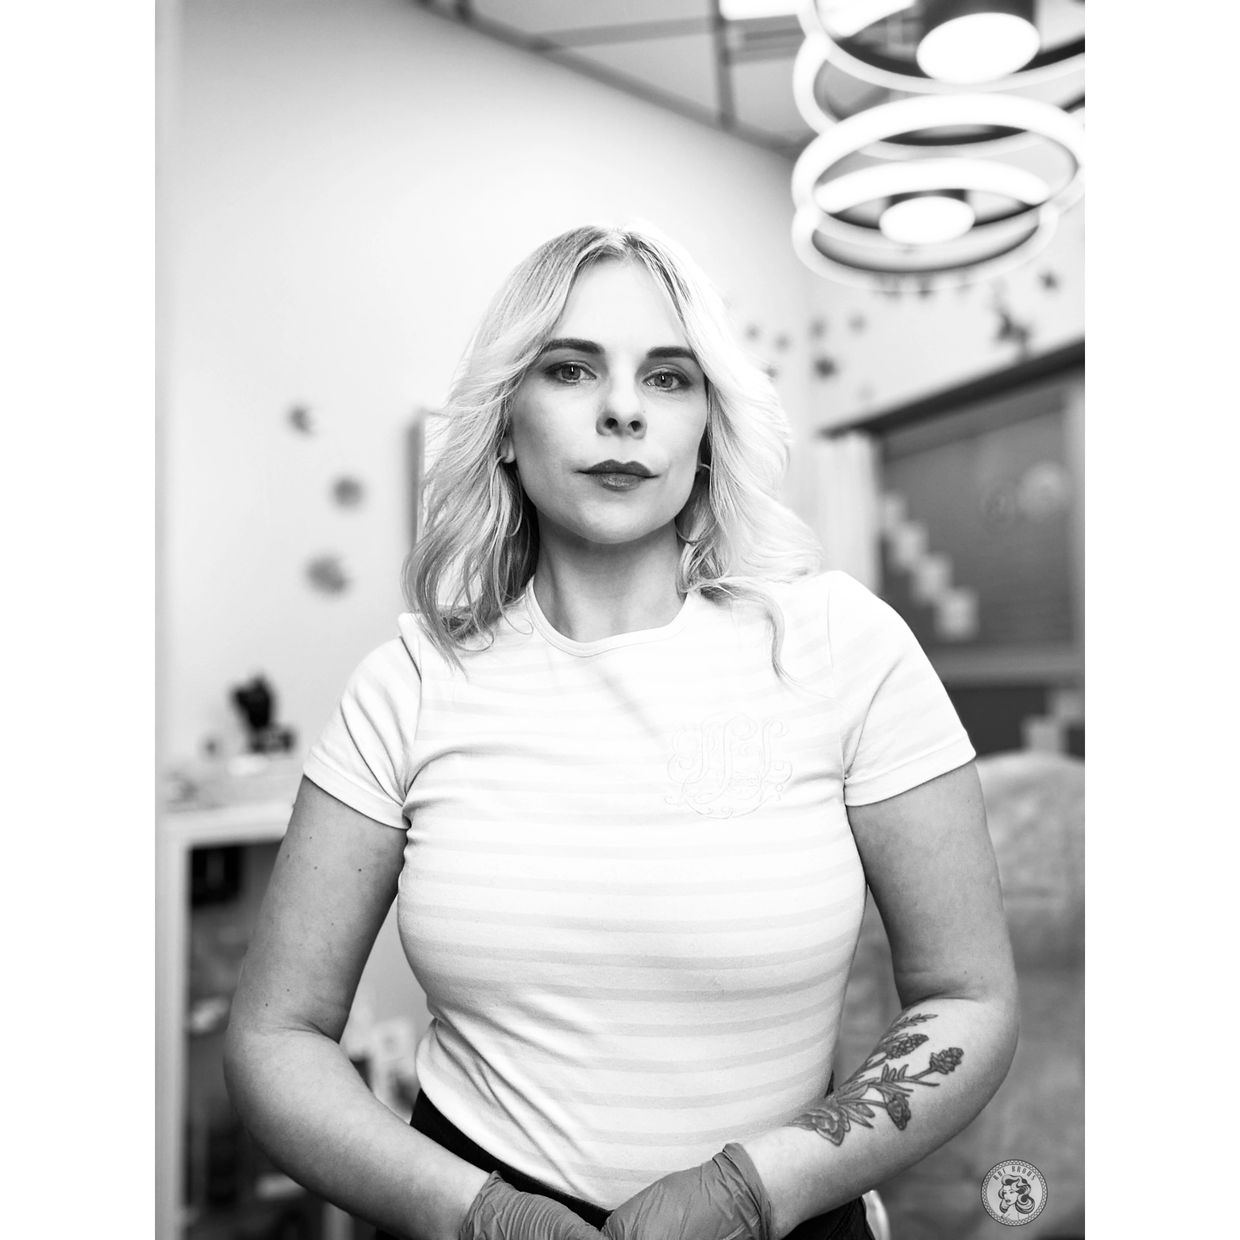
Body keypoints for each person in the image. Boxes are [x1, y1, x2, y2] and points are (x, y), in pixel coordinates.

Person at [223, 223, 1019, 1240]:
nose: (624, 409)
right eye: (570, 369)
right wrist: (474, 1216)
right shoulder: (407, 685)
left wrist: (754, 1190)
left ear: (707, 429)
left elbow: (968, 998)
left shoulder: (840, 646)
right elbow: (275, 1037)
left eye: (669, 378)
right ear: (504, 422)